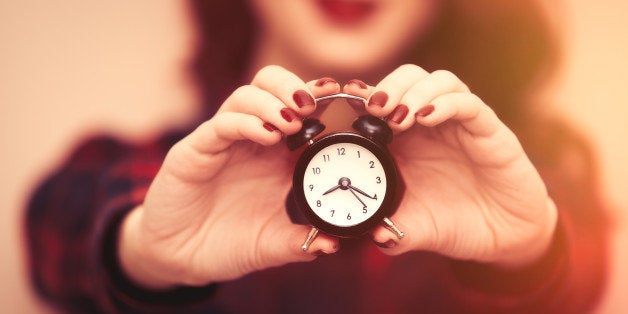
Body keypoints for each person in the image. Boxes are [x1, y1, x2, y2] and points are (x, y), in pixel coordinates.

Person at [25, 0, 608, 313]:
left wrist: (531, 248)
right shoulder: (155, 168)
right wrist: (145, 252)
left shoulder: (510, 170)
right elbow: (57, 225)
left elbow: (582, 250)